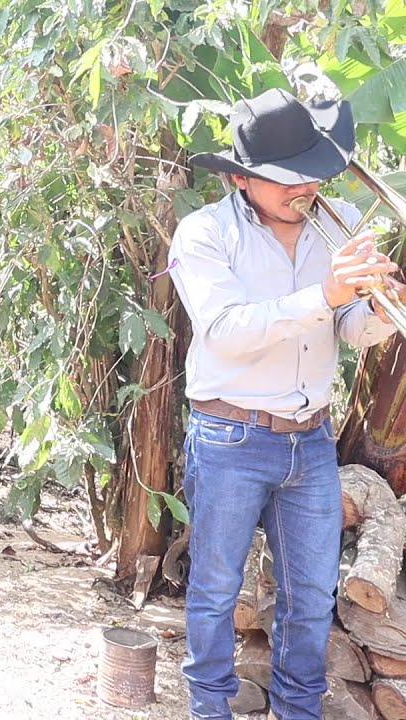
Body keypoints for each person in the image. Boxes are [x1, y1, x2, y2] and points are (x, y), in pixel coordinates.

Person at [170, 88, 404, 720]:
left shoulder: (336, 223)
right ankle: (209, 711)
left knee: (311, 592)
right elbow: (226, 330)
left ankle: (297, 711)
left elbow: (350, 327)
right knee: (217, 591)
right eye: (287, 179)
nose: (306, 188)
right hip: (230, 438)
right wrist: (326, 293)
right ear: (243, 179)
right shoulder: (204, 234)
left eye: (312, 173)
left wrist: (379, 305)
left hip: (311, 440)